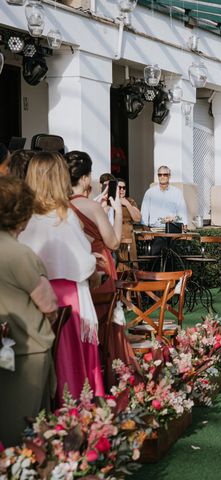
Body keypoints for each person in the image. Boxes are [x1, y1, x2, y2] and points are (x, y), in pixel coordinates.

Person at [18, 152, 104, 404]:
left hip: (32, 297)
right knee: (70, 357)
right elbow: (84, 261)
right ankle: (76, 405)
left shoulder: (24, 218)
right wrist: (94, 268)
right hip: (68, 299)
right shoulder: (64, 216)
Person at [0, 176, 57, 446]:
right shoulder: (19, 254)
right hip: (25, 350)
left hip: (8, 348)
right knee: (25, 432)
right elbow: (48, 305)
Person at [65, 151, 122, 326]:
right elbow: (113, 243)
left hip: (74, 268)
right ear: (84, 178)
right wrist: (118, 212)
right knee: (105, 319)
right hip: (99, 266)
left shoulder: (60, 205)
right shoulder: (93, 207)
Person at [140, 165, 188, 255]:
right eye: (160, 174)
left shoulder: (177, 193)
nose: (162, 177)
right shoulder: (150, 193)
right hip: (155, 232)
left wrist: (174, 218)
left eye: (165, 174)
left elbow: (183, 215)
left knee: (171, 260)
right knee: (155, 260)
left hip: (172, 231)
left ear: (169, 176)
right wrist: (146, 232)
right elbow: (144, 216)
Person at [116, 178, 142, 271]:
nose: (122, 190)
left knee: (130, 260)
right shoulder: (110, 201)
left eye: (124, 188)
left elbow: (137, 218)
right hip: (115, 232)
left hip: (128, 232)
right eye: (119, 187)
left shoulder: (130, 201)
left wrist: (127, 204)